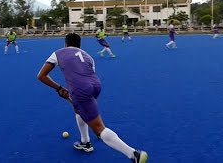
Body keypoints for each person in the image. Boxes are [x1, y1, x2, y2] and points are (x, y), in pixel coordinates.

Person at [37, 33, 148, 163]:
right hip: (96, 86)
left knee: (99, 128)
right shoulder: (87, 55)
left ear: (65, 43)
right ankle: (85, 142)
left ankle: (134, 154)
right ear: (79, 45)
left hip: (80, 90)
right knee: (79, 109)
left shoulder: (58, 52)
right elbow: (89, 75)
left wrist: (59, 88)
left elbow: (42, 75)